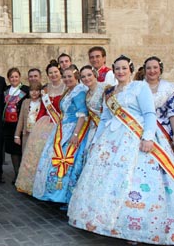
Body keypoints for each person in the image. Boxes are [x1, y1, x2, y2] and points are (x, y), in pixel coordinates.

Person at [68, 55, 174, 245]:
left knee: (134, 181)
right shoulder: (110, 92)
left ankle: (135, 227)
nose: (121, 72)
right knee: (107, 181)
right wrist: (96, 141)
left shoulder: (139, 87)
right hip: (111, 140)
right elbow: (106, 118)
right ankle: (108, 222)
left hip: (136, 139)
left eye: (124, 68)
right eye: (117, 69)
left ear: (130, 69)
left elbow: (149, 113)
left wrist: (148, 137)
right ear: (113, 71)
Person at [33, 65, 88, 205]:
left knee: (68, 161)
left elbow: (82, 114)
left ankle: (65, 196)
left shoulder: (79, 91)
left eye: (70, 76)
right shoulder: (69, 91)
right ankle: (55, 194)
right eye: (65, 76)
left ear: (76, 77)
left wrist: (75, 134)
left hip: (74, 129)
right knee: (53, 158)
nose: (67, 79)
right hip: (63, 128)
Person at [15, 60, 65, 195]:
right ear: (47, 75)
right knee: (37, 153)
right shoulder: (45, 89)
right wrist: (37, 125)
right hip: (45, 124)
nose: (53, 75)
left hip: (61, 123)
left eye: (56, 72)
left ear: (60, 73)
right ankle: (34, 184)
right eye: (51, 73)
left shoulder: (66, 87)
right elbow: (43, 108)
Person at [13, 82, 44, 184]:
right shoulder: (25, 102)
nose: (34, 93)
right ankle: (25, 182)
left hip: (39, 134)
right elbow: (21, 119)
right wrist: (17, 135)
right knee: (27, 158)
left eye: (37, 90)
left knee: (37, 157)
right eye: (32, 90)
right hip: (27, 134)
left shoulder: (43, 102)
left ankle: (37, 181)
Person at [3, 67, 29, 183]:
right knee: (13, 151)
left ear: (20, 77)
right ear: (9, 78)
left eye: (16, 76)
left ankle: (24, 175)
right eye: (11, 77)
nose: (14, 79)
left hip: (21, 124)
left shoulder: (26, 90)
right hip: (9, 125)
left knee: (22, 149)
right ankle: (16, 173)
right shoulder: (5, 90)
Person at [79, 65, 107, 161]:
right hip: (93, 128)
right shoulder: (86, 93)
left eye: (89, 75)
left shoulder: (106, 88)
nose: (87, 78)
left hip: (106, 128)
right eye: (83, 77)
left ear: (95, 75)